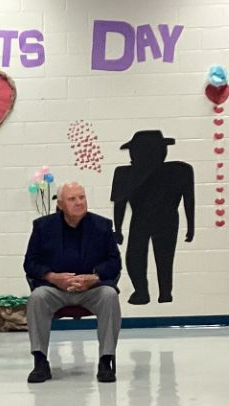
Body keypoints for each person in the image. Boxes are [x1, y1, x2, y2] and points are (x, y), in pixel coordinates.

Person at [23, 182, 122, 384]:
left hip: (91, 289)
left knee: (109, 296)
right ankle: (40, 361)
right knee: (37, 298)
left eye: (82, 197)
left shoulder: (102, 226)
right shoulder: (43, 227)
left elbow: (115, 263)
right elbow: (30, 264)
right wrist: (52, 277)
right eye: (72, 199)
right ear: (60, 204)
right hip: (55, 289)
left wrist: (93, 278)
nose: (79, 202)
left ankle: (105, 360)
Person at [111, 130, 194, 305]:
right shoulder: (179, 170)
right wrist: (117, 229)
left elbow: (188, 200)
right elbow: (119, 204)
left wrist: (118, 229)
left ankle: (158, 292)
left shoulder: (178, 171)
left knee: (157, 256)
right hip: (152, 218)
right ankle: (148, 292)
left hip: (158, 218)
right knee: (141, 256)